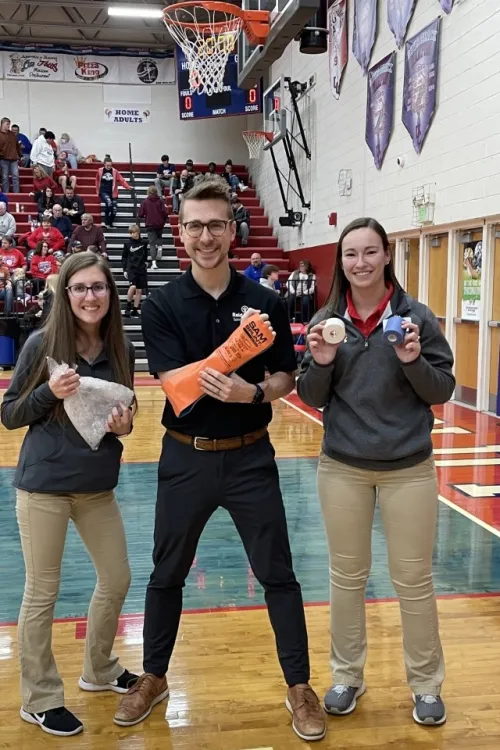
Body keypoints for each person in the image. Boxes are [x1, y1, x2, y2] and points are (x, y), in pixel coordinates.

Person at [114, 178, 326, 742]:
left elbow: (285, 376)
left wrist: (251, 393)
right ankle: (154, 677)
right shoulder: (160, 305)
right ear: (180, 233)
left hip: (250, 457)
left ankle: (299, 687)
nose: (205, 236)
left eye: (215, 225)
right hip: (185, 459)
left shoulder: (269, 303)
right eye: (194, 226)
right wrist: (221, 373)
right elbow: (174, 384)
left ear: (232, 230)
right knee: (166, 575)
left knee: (278, 574)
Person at [297, 217, 455, 727]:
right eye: (350, 254)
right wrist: (320, 362)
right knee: (346, 577)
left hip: (408, 469)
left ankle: (426, 685)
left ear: (387, 256)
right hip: (343, 467)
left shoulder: (416, 317)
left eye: (369, 252)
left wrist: (411, 358)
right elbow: (311, 397)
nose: (360, 263)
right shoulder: (327, 319)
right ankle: (346, 675)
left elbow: (440, 390)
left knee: (413, 580)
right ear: (340, 262)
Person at [1, 252, 139, 737]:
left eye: (98, 287)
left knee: (118, 578)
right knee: (42, 593)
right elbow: (10, 413)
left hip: (97, 487)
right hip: (44, 489)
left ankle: (98, 669)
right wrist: (49, 394)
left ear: (110, 294)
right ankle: (38, 699)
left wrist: (125, 425)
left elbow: (123, 411)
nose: (89, 296)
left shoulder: (120, 347)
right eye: (79, 288)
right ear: (65, 293)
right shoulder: (42, 344)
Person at [95, 157, 132, 228]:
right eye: (107, 165)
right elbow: (97, 180)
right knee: (109, 203)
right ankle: (106, 222)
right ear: (104, 164)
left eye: (110, 165)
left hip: (112, 192)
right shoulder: (100, 170)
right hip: (103, 191)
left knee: (114, 209)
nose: (109, 167)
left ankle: (109, 223)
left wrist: (127, 186)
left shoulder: (115, 171)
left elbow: (121, 180)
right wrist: (98, 190)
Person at [138, 186, 168, 269]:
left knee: (151, 244)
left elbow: (140, 214)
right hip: (160, 224)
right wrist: (163, 221)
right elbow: (165, 213)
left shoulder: (145, 202)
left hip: (150, 224)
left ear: (148, 192)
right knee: (159, 236)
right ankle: (160, 247)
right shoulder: (160, 201)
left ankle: (154, 263)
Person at [122, 224, 148, 317]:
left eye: (134, 232)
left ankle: (135, 309)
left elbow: (145, 254)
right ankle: (128, 306)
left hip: (141, 268)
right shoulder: (127, 244)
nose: (132, 235)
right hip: (131, 268)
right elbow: (124, 257)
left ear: (138, 232)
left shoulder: (144, 243)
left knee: (139, 290)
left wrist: (145, 262)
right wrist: (124, 269)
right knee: (132, 287)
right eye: (131, 233)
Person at [0, 117, 21, 193]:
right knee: (5, 177)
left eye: (9, 124)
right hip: (3, 159)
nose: (9, 126)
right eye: (7, 124)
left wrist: (20, 155)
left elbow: (17, 145)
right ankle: (6, 193)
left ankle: (17, 193)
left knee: (16, 176)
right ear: (2, 124)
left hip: (14, 159)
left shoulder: (12, 134)